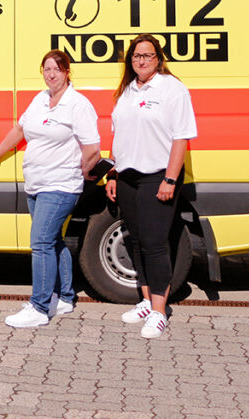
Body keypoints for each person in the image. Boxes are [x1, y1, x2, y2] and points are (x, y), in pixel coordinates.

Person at [0, 50, 100, 328]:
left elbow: (92, 148)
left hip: (60, 186)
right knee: (54, 241)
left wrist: (79, 172)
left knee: (41, 243)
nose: (51, 74)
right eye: (46, 69)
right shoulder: (40, 99)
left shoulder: (77, 104)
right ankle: (65, 297)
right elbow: (20, 130)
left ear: (67, 71)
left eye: (57, 68)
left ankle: (39, 307)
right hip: (36, 185)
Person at [105, 34, 197, 339]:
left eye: (147, 55)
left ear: (158, 58)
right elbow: (118, 136)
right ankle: (145, 300)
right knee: (137, 241)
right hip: (128, 176)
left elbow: (181, 137)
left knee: (156, 244)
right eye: (136, 56)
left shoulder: (172, 89)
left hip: (157, 175)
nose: (141, 60)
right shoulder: (127, 91)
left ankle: (159, 311)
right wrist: (113, 174)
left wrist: (170, 179)